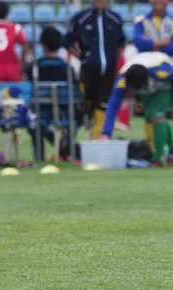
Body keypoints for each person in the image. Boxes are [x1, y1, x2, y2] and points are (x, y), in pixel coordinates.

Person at [65, 0, 125, 140]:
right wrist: (83, 57)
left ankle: (97, 142)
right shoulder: (80, 18)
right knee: (85, 107)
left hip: (108, 72)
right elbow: (67, 42)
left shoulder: (115, 18)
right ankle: (68, 144)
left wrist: (113, 58)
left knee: (103, 106)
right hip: (88, 71)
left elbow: (121, 42)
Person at [101, 52, 173, 166]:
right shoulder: (123, 80)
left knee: (156, 115)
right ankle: (170, 152)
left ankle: (157, 159)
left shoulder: (162, 71)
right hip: (148, 85)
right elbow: (113, 105)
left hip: (164, 87)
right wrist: (106, 133)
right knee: (150, 117)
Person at [26, 26, 80, 162]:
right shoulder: (66, 66)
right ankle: (65, 148)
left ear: (43, 45)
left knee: (34, 124)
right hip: (64, 111)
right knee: (75, 118)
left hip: (41, 111)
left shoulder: (36, 66)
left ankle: (39, 157)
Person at [133, 0, 173, 152]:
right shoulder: (141, 21)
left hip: (168, 72)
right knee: (151, 113)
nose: (158, 2)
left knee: (157, 114)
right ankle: (156, 150)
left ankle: (161, 152)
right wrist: (162, 43)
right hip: (147, 73)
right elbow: (138, 42)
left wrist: (150, 43)